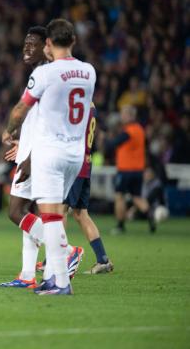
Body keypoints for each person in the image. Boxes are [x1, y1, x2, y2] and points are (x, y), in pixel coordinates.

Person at [2, 19, 96, 295]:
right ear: (74, 41)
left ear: (48, 45)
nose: (27, 48)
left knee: (27, 212)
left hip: (46, 154)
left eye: (35, 43)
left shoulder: (45, 75)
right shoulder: (89, 71)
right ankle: (33, 274)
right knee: (41, 213)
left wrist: (12, 137)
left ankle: (65, 258)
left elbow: (22, 110)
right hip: (75, 154)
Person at [65, 103, 114, 274]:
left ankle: (54, 258)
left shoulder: (76, 103)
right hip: (86, 161)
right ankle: (103, 260)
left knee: (59, 211)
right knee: (80, 213)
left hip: (74, 161)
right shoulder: (90, 104)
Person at [107, 105, 154, 234]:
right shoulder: (140, 130)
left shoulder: (128, 131)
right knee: (137, 197)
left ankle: (120, 225)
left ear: (129, 115)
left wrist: (107, 140)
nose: (121, 116)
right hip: (138, 170)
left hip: (125, 169)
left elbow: (113, 144)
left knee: (119, 196)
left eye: (123, 114)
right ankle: (150, 217)